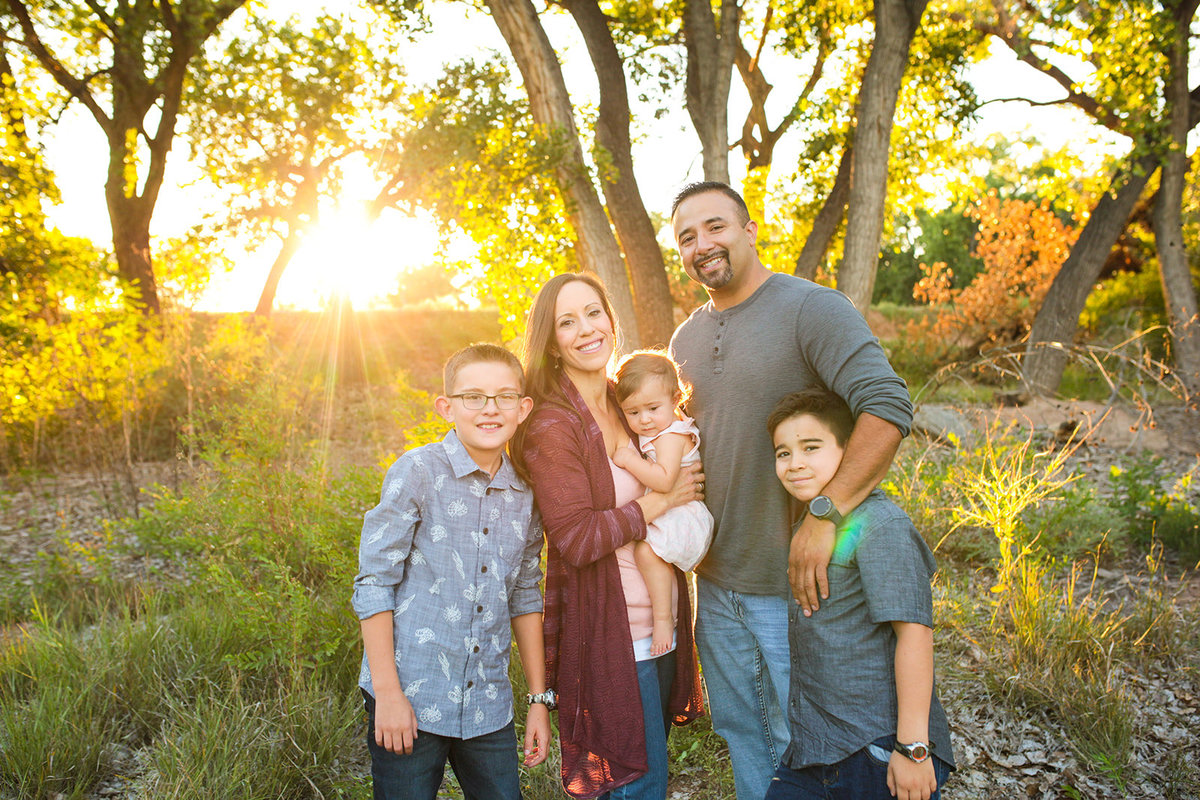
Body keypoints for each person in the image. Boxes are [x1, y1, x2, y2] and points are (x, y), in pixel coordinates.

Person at [668, 181, 914, 799]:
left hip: (798, 587)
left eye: (716, 227)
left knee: (801, 745)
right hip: (716, 584)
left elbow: (886, 406)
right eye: (687, 237)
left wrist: (825, 515)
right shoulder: (683, 342)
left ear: (750, 230)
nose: (704, 245)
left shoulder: (811, 308)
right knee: (740, 733)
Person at [512, 273, 704, 800]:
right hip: (612, 638)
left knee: (647, 776)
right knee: (636, 785)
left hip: (660, 623)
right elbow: (574, 539)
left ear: (611, 320)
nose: (586, 329)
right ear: (551, 342)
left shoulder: (628, 402)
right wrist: (662, 501)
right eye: (567, 322)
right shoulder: (555, 424)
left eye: (594, 312)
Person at [351, 343, 551, 800]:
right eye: (473, 397)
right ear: (447, 407)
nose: (489, 409)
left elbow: (524, 594)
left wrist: (538, 700)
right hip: (411, 696)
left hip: (487, 703)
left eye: (503, 397)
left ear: (523, 409)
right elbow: (374, 584)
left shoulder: (525, 492)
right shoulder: (417, 472)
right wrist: (388, 695)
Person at [765, 388, 955, 799]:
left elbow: (915, 635)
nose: (795, 463)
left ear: (848, 449)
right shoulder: (811, 524)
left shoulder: (880, 524)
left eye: (810, 447)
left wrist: (913, 750)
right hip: (814, 750)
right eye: (783, 453)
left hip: (876, 750)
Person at [613, 351, 714, 655]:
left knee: (646, 552)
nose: (644, 420)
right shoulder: (661, 426)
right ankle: (665, 615)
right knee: (649, 555)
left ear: (675, 399)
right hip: (673, 511)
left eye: (653, 408)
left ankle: (663, 619)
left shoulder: (671, 435)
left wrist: (629, 459)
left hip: (685, 514)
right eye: (633, 412)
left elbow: (665, 480)